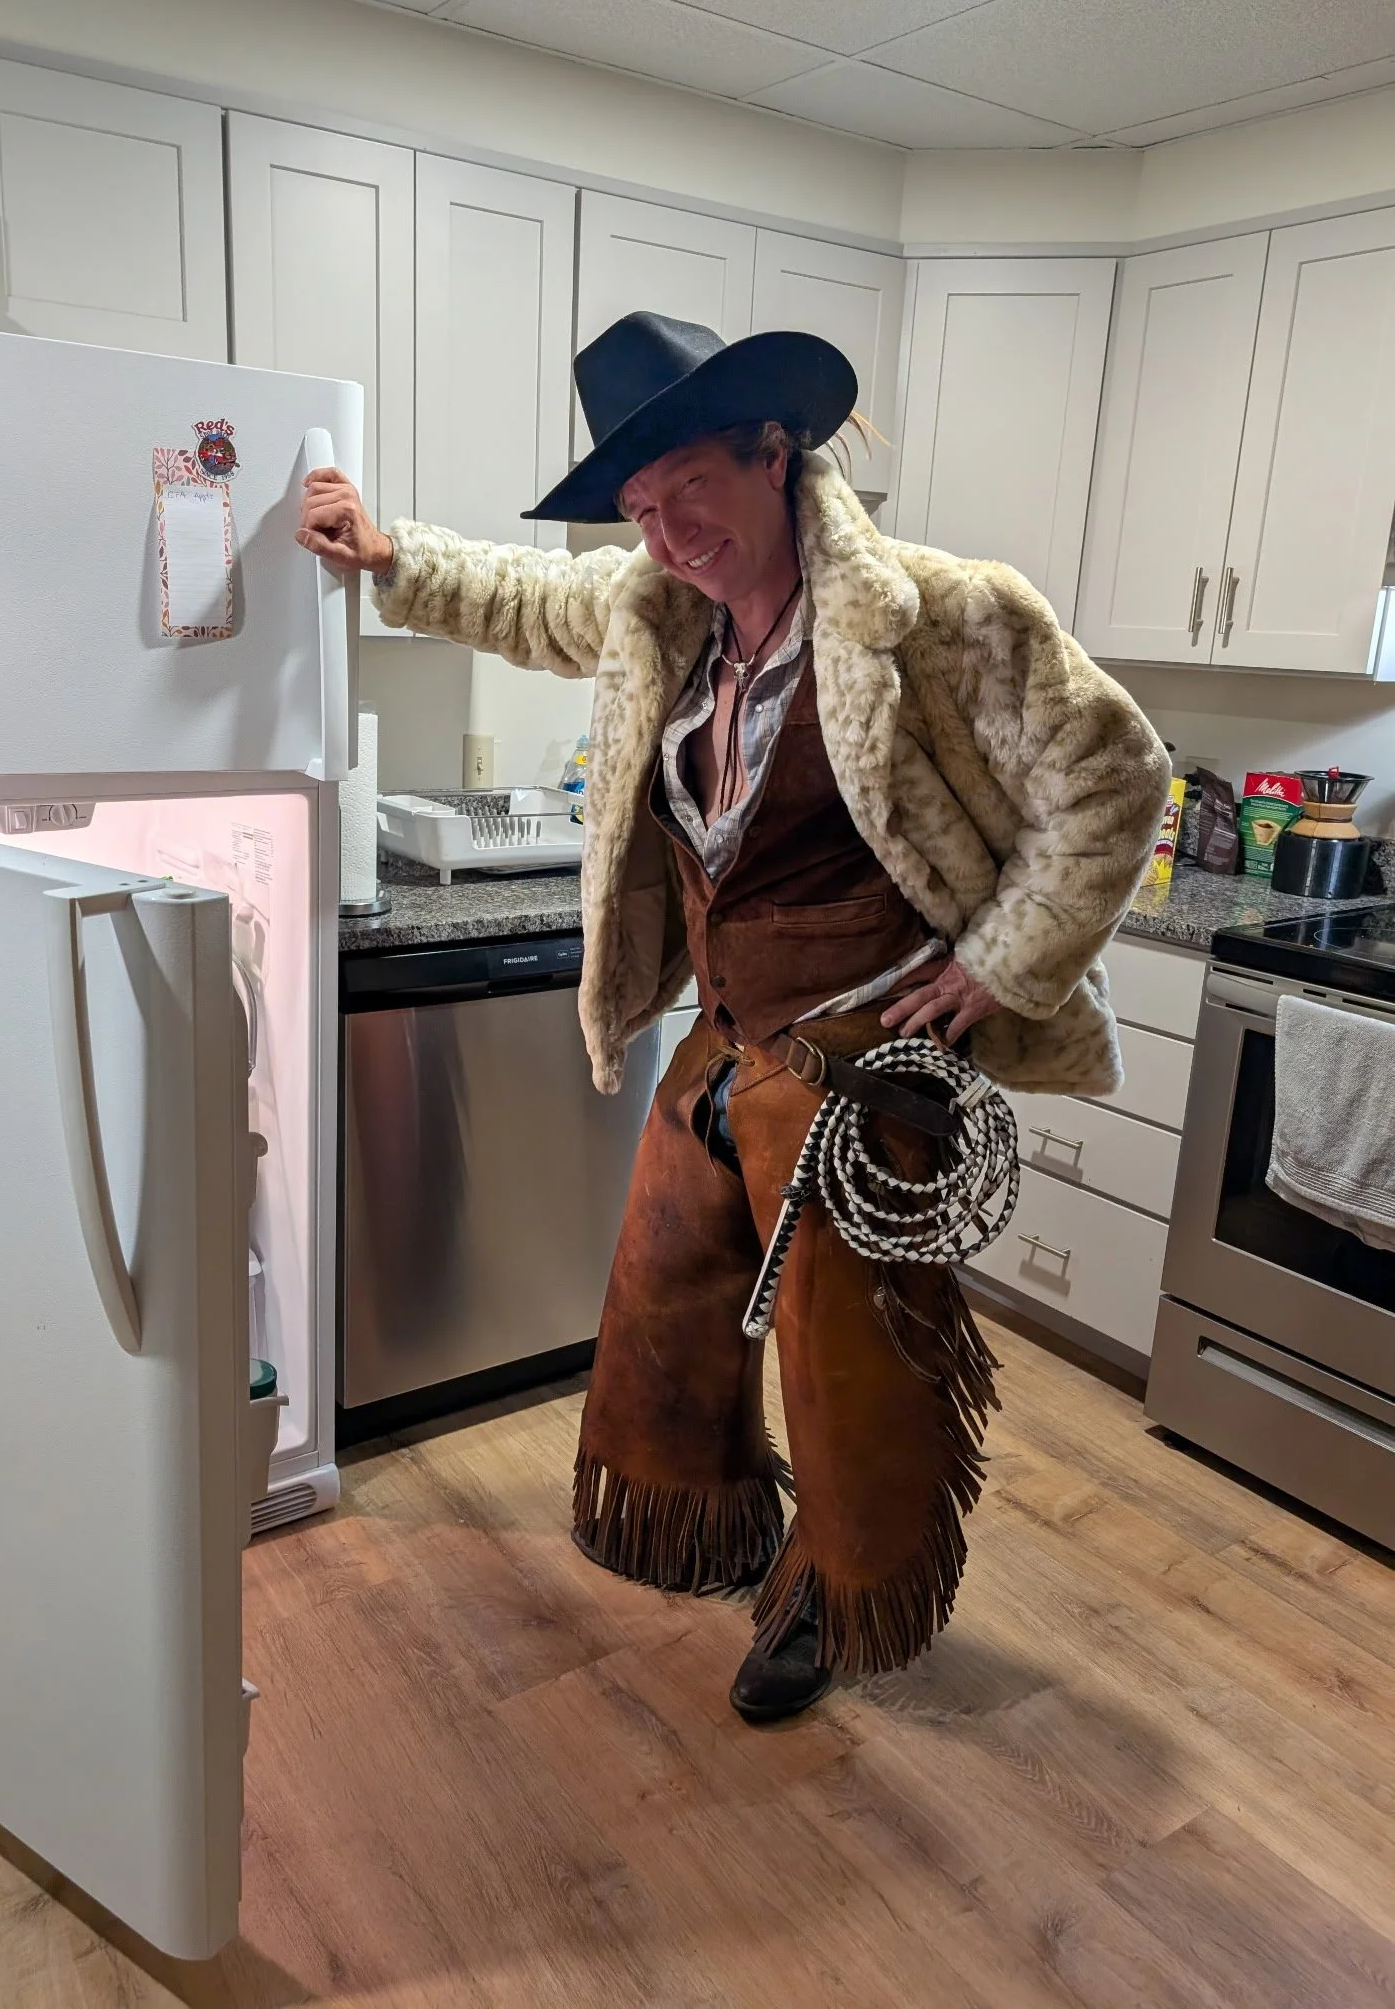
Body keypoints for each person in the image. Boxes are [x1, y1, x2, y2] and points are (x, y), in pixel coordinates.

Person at [300, 311, 1171, 1723]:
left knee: (848, 1365)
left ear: (776, 453)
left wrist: (1001, 964)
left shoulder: (943, 613)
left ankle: (839, 1595)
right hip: (722, 1044)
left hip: (860, 1069)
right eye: (637, 510)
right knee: (662, 1306)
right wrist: (387, 551)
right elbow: (530, 596)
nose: (663, 533)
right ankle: (711, 1524)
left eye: (686, 489)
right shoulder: (663, 610)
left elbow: (1114, 782)